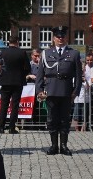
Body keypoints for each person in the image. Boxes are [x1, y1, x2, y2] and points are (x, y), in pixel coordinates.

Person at [35, 26, 82, 156]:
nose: (60, 39)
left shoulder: (74, 54)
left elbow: (78, 75)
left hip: (66, 90)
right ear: (54, 38)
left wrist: (76, 91)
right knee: (51, 119)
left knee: (65, 119)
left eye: (62, 36)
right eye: (58, 36)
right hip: (51, 90)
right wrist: (39, 90)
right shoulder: (46, 53)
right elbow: (40, 74)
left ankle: (64, 146)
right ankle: (54, 145)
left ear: (66, 38)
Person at [0, 38, 31, 133]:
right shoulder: (22, 53)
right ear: (17, 42)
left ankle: (1, 127)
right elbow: (28, 67)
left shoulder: (3, 53)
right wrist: (21, 74)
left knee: (4, 105)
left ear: (9, 42)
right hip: (18, 82)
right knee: (15, 105)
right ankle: (12, 128)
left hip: (5, 81)